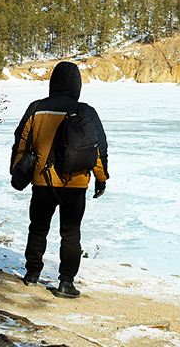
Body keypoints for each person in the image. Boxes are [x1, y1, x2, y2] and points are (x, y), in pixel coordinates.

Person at [10, 61, 109, 298]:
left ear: (53, 82)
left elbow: (21, 144)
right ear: (77, 84)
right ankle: (66, 283)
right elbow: (99, 150)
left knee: (38, 228)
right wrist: (100, 178)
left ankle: (32, 274)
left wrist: (17, 172)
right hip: (75, 184)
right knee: (71, 233)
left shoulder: (36, 108)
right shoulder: (87, 111)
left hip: (43, 181)